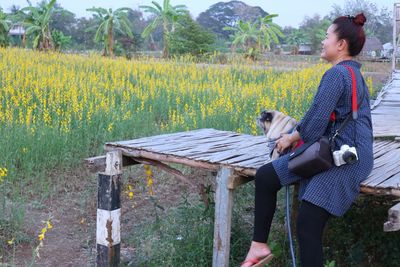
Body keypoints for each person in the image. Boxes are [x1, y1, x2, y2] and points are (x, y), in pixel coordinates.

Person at [241, 13, 373, 267]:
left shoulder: (337, 75)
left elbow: (312, 127)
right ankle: (258, 247)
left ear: (341, 44)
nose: (323, 41)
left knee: (308, 220)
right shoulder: (354, 73)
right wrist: (293, 136)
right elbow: (317, 118)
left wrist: (290, 138)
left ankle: (259, 246)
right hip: (343, 151)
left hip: (346, 158)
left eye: (327, 36)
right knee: (266, 177)